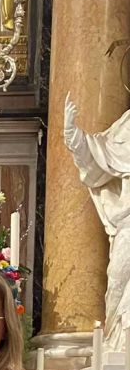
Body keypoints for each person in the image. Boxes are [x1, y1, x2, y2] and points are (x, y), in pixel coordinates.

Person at [64, 94, 130, 350]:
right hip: (128, 223)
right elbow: (97, 162)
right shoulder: (126, 126)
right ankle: (118, 346)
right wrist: (73, 135)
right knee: (118, 278)